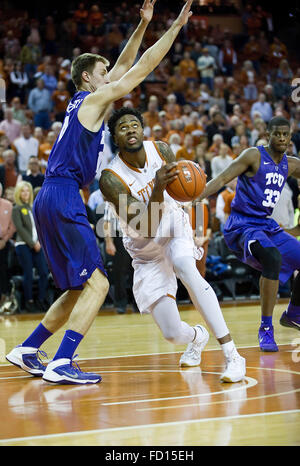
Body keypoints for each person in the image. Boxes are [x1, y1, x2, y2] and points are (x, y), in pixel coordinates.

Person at [6, 0, 195, 385]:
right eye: (104, 72)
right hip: (62, 196)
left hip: (50, 195)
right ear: (90, 79)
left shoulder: (85, 102)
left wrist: (142, 26)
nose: (111, 74)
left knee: (79, 286)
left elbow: (124, 64)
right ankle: (62, 361)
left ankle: (28, 348)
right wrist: (173, 29)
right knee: (100, 283)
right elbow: (139, 70)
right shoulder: (93, 101)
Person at [100, 107, 246, 383]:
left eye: (135, 124)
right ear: (115, 138)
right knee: (171, 333)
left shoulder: (162, 150)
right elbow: (145, 226)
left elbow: (184, 194)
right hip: (145, 249)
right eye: (123, 127)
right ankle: (197, 336)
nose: (130, 129)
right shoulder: (110, 179)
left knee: (185, 266)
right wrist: (156, 188)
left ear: (142, 130)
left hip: (173, 225)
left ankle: (233, 355)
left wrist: (198, 226)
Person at [197, 116, 300, 352]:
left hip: (266, 225)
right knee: (272, 259)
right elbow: (223, 178)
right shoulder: (253, 155)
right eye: (277, 134)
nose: (282, 138)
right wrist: (196, 197)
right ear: (268, 135)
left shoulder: (291, 164)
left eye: (286, 134)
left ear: (290, 137)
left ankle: (293, 314)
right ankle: (265, 328)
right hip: (242, 225)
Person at [11, 181, 49, 313]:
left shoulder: (34, 207)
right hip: (23, 245)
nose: (25, 193)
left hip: (38, 245)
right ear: (18, 193)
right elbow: (20, 229)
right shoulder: (16, 208)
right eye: (23, 191)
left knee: (44, 272)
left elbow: (40, 227)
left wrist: (38, 242)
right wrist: (33, 244)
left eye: (27, 191)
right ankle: (29, 301)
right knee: (28, 274)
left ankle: (41, 299)